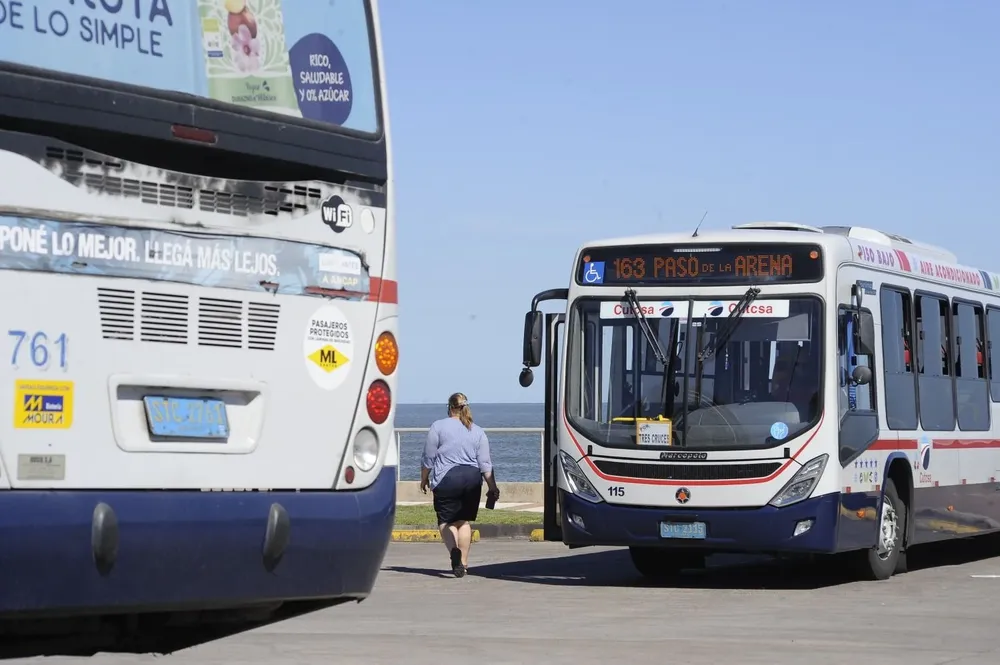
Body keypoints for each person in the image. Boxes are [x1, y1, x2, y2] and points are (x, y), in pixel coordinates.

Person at [420, 392, 500, 577]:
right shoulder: (478, 430)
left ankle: (454, 552)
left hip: (447, 479)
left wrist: (424, 478)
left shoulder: (438, 426)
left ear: (449, 407)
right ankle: (463, 564)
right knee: (463, 521)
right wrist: (492, 487)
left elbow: (429, 458)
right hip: (472, 479)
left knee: (446, 521)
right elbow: (485, 464)